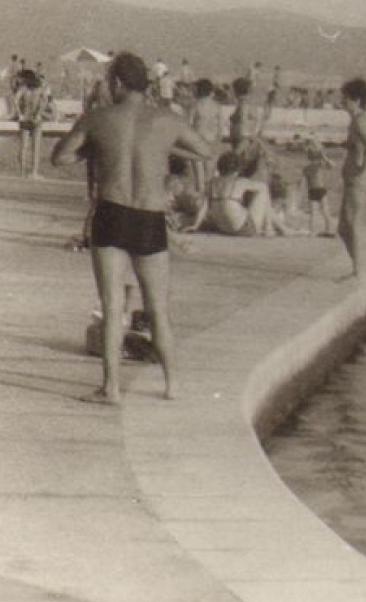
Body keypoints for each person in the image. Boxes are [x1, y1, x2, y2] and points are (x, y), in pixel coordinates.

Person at [52, 52, 216, 404]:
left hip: (112, 213)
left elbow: (60, 157)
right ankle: (173, 385)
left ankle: (111, 388)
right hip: (149, 215)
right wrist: (163, 150)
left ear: (117, 84)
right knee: (158, 309)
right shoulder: (166, 119)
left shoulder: (98, 118)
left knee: (113, 307)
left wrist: (95, 150)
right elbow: (204, 151)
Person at [338, 77, 366, 278]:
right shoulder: (356, 120)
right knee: (343, 228)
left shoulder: (361, 120)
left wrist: (364, 168)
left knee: (353, 224)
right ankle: (358, 266)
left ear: (356, 100)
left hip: (358, 181)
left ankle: (358, 271)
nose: (342, 102)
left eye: (345, 99)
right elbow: (365, 145)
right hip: (353, 179)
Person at [205, 151, 281, 236]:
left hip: (223, 229)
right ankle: (269, 228)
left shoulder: (211, 183)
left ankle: (281, 228)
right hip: (244, 229)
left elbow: (204, 207)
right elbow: (263, 187)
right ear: (237, 169)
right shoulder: (240, 182)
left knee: (248, 201)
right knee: (263, 190)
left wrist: (195, 225)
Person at [12, 69, 53, 178]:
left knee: (23, 147)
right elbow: (44, 103)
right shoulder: (40, 89)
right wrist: (38, 114)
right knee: (36, 148)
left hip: (25, 118)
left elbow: (15, 100)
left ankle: (21, 172)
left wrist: (19, 113)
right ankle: (34, 172)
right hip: (36, 120)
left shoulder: (23, 89)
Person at [189, 78, 223, 192]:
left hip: (197, 140)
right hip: (212, 140)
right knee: (210, 174)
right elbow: (221, 128)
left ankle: (201, 198)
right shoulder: (217, 106)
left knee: (199, 175)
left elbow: (188, 125)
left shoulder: (195, 105)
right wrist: (219, 142)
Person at [301, 135, 335, 235]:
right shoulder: (314, 166)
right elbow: (331, 165)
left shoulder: (312, 166)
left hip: (316, 189)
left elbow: (331, 165)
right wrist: (324, 157)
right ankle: (325, 230)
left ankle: (315, 231)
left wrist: (324, 157)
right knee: (323, 211)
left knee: (316, 212)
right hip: (318, 189)